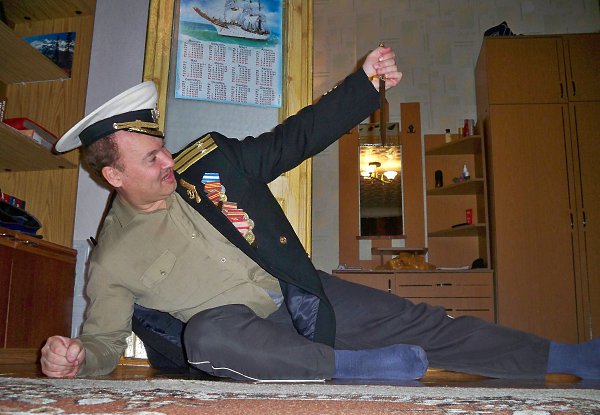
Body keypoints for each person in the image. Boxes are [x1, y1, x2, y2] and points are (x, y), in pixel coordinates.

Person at [40, 46, 599, 382]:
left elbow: (295, 138)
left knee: (420, 321)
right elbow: (105, 343)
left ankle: (572, 357)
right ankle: (353, 369)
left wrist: (364, 85)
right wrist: (77, 358)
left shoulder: (209, 165)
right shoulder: (112, 257)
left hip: (300, 296)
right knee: (206, 336)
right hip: (244, 338)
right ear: (113, 176)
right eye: (151, 158)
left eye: (162, 148)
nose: (168, 161)